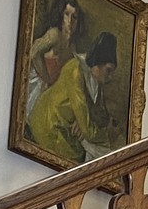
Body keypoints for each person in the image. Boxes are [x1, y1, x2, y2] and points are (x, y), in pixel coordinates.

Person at [26, 32, 118, 163]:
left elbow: (97, 113)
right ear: (97, 62)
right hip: (47, 124)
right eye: (108, 70)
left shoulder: (94, 80)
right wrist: (108, 134)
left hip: (66, 126)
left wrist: (82, 120)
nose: (111, 76)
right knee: (77, 160)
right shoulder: (75, 71)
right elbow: (88, 130)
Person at [23, 0, 83, 118]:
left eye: (74, 17)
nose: (70, 21)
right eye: (67, 14)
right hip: (39, 85)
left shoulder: (73, 48)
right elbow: (33, 52)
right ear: (61, 15)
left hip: (52, 91)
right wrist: (46, 80)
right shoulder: (54, 34)